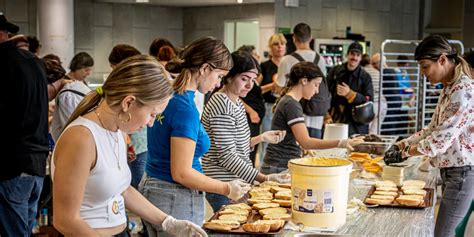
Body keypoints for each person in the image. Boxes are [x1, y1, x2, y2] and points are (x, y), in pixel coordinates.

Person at [52, 55, 206, 236]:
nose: (150, 123)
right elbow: (66, 220)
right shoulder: (81, 138)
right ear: (128, 103)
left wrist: (167, 222)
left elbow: (123, 189)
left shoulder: (117, 130)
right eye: (151, 114)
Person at [142, 37, 250, 236]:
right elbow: (182, 173)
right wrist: (226, 188)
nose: (218, 84)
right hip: (174, 195)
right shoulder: (185, 108)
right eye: (219, 76)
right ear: (205, 69)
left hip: (155, 188)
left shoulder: (170, 95)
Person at [384, 35, 474, 237]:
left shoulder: (463, 91)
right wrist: (402, 144)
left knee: (443, 234)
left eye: (425, 66)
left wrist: (406, 153)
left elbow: (438, 141)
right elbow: (432, 128)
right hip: (452, 172)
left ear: (442, 59)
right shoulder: (449, 87)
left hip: (462, 174)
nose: (423, 74)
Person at [201, 50, 289, 212]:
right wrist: (264, 178)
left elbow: (236, 146)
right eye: (244, 79)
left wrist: (260, 138)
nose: (249, 85)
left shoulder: (236, 102)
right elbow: (227, 156)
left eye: (253, 80)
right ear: (228, 77)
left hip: (237, 182)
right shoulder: (221, 104)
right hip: (225, 184)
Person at [261, 61, 364, 174]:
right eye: (316, 85)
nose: (317, 91)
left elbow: (296, 138)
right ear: (304, 81)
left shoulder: (290, 102)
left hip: (279, 164)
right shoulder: (291, 104)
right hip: (279, 166)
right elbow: (306, 141)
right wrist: (340, 143)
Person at [0, 12, 49, 236]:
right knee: (24, 229)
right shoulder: (35, 62)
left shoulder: (3, 63)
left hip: (11, 164)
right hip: (36, 162)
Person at [276, 22, 329, 139]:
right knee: (313, 149)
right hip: (316, 115)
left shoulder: (287, 60)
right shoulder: (320, 59)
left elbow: (279, 87)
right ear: (311, 38)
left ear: (294, 38)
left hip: (294, 113)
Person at [327, 42, 374, 135]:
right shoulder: (335, 71)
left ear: (361, 58)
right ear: (347, 55)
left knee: (356, 149)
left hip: (357, 125)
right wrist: (326, 115)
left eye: (358, 55)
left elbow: (369, 100)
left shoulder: (365, 77)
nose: (354, 58)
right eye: (352, 54)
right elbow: (325, 93)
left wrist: (350, 94)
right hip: (336, 120)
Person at [51, 52, 94, 141]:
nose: (89, 73)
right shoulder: (65, 86)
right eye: (86, 70)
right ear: (77, 68)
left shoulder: (82, 83)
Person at [259, 33, 287, 160]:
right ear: (271, 47)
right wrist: (272, 85)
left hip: (286, 107)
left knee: (284, 141)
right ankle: (263, 172)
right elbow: (255, 90)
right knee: (267, 140)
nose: (279, 47)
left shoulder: (289, 65)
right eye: (276, 44)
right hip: (269, 107)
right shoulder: (264, 67)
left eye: (282, 44)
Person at [237, 45, 266, 165]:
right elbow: (237, 96)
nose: (258, 57)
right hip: (249, 117)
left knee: (252, 150)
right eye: (255, 54)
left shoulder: (254, 77)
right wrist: (251, 111)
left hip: (254, 118)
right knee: (247, 152)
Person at [361, 54, 386, 134]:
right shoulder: (378, 72)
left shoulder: (362, 73)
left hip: (370, 105)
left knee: (365, 132)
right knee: (375, 133)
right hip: (382, 104)